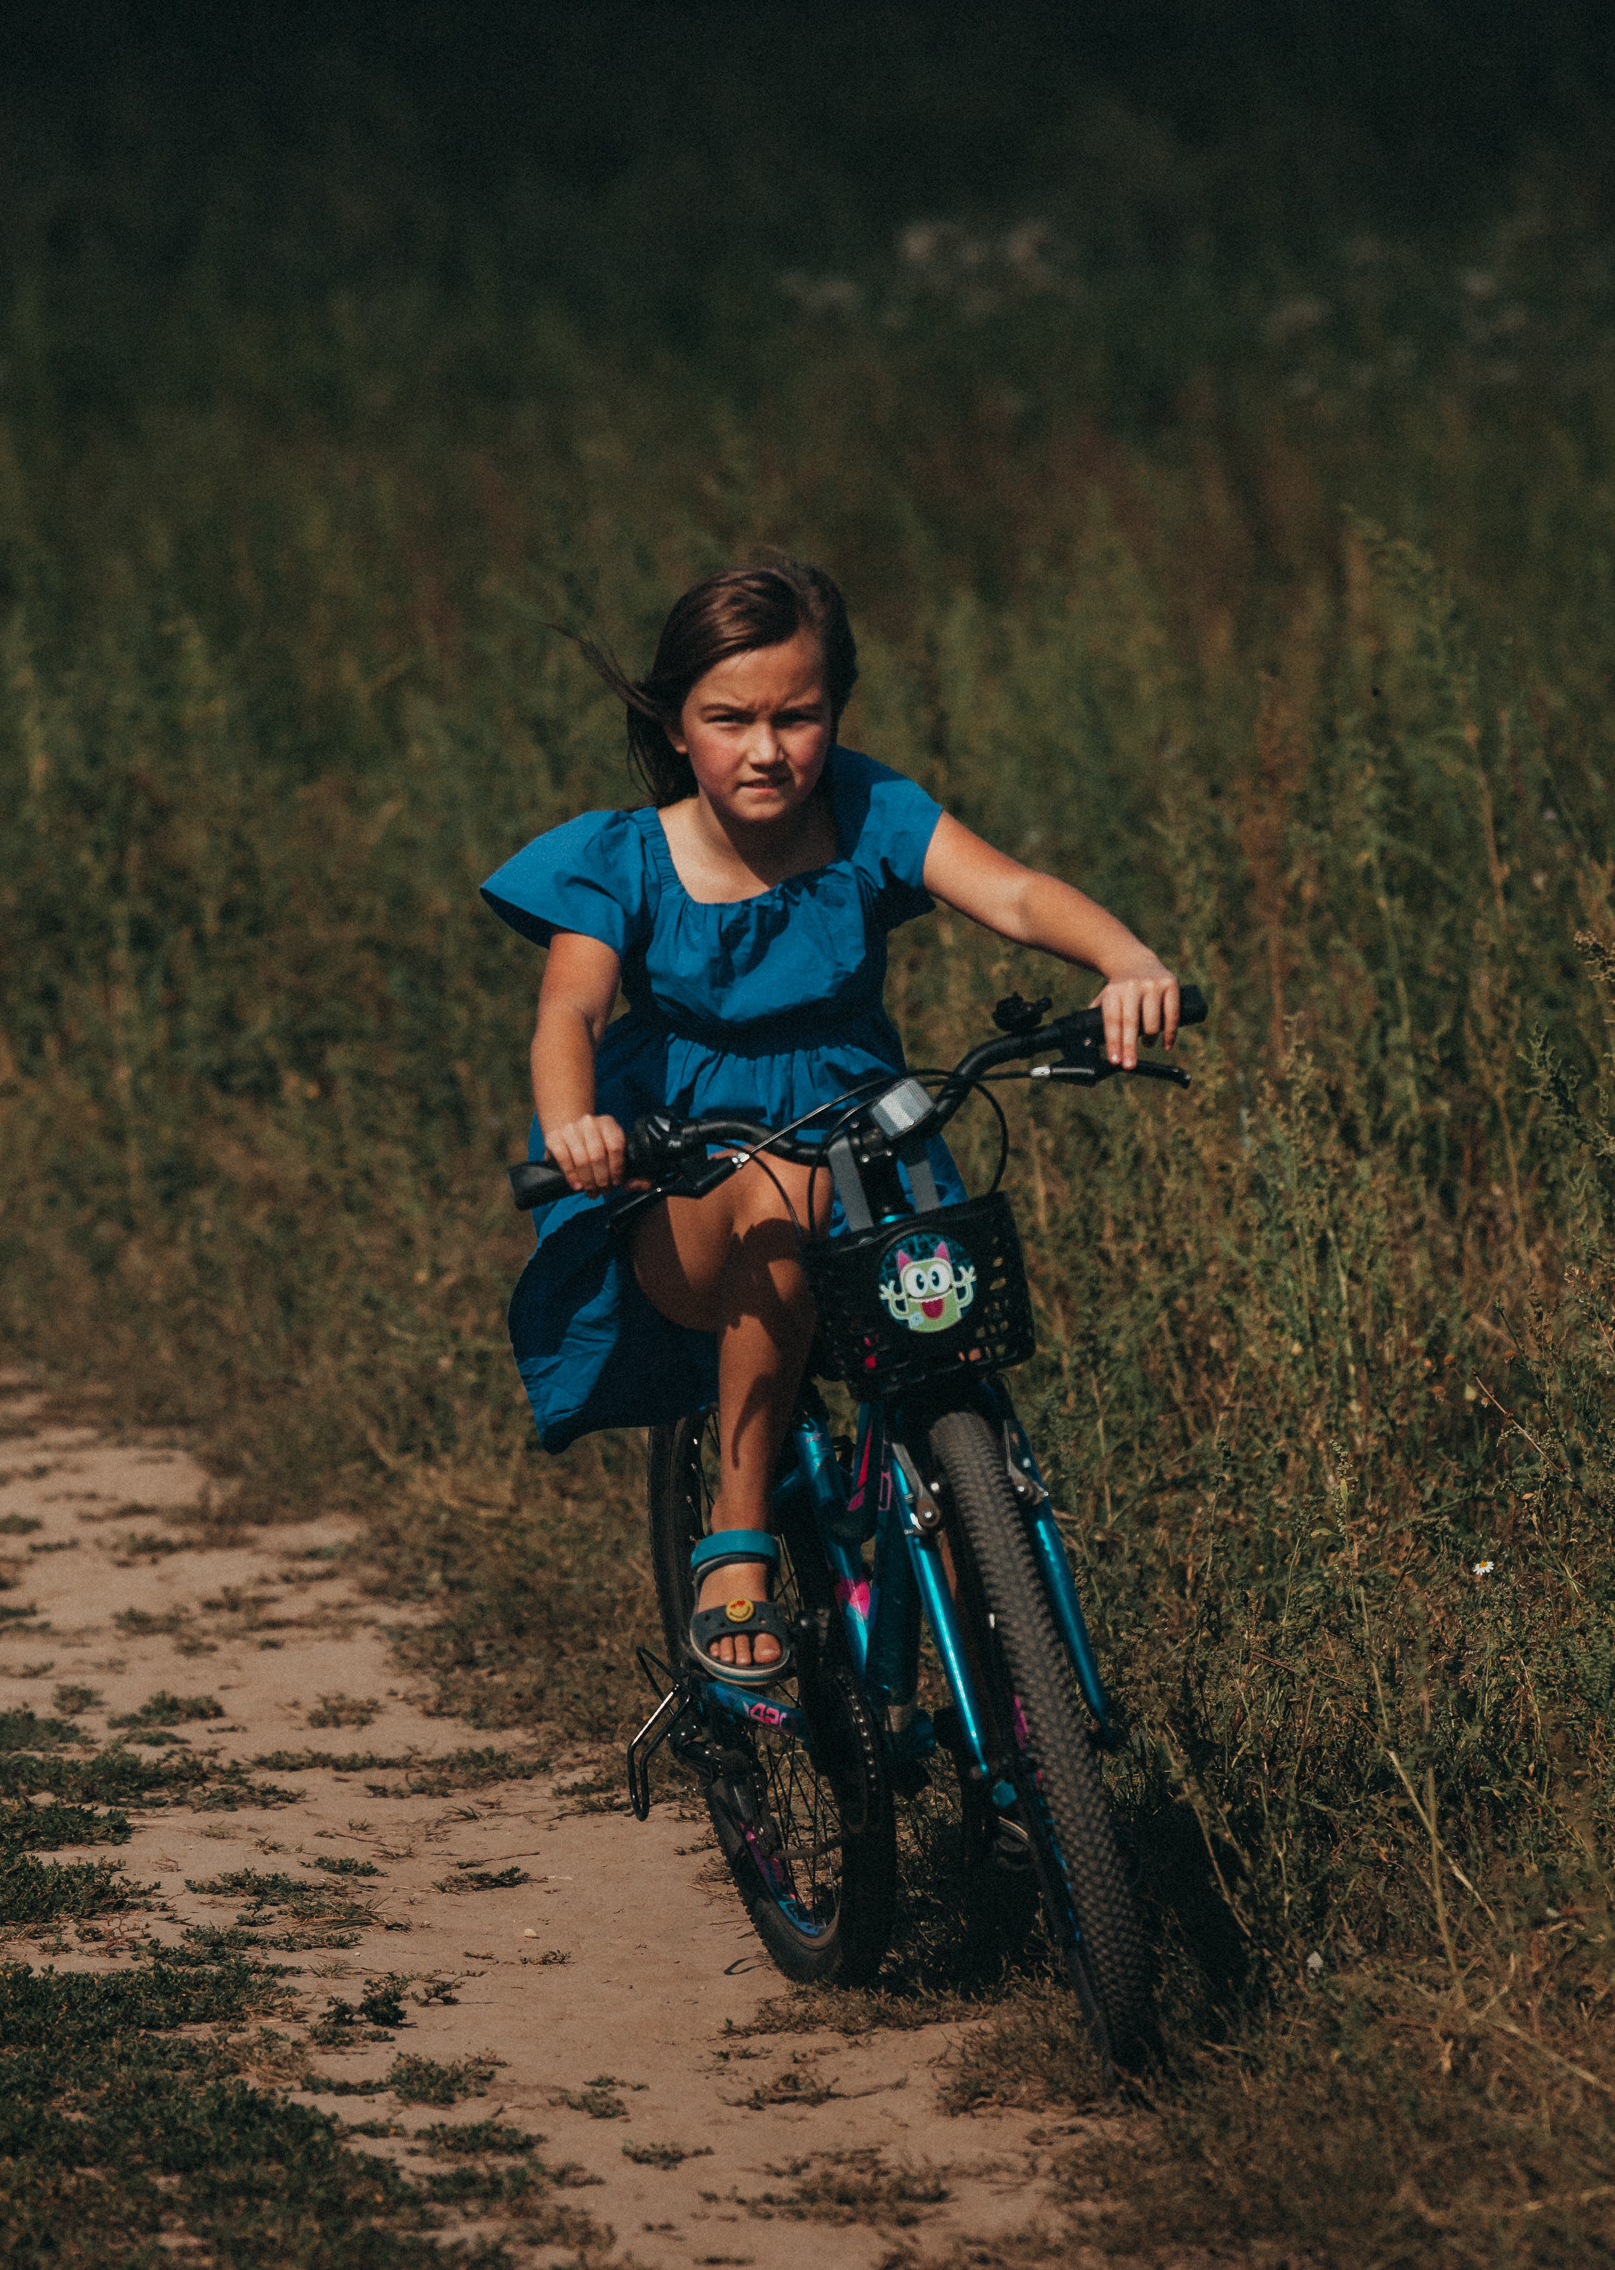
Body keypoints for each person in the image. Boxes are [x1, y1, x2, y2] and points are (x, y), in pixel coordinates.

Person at [481, 557, 1180, 1688]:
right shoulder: (624, 860)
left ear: (833, 713)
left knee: (954, 1407)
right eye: (729, 718)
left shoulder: (861, 812)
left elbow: (1006, 893)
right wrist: (575, 1125)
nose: (767, 749)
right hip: (689, 1185)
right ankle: (738, 1536)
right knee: (771, 1198)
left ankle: (1007, 1719)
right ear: (673, 727)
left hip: (867, 1158)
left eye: (797, 716)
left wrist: (1123, 958)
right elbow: (570, 1006)